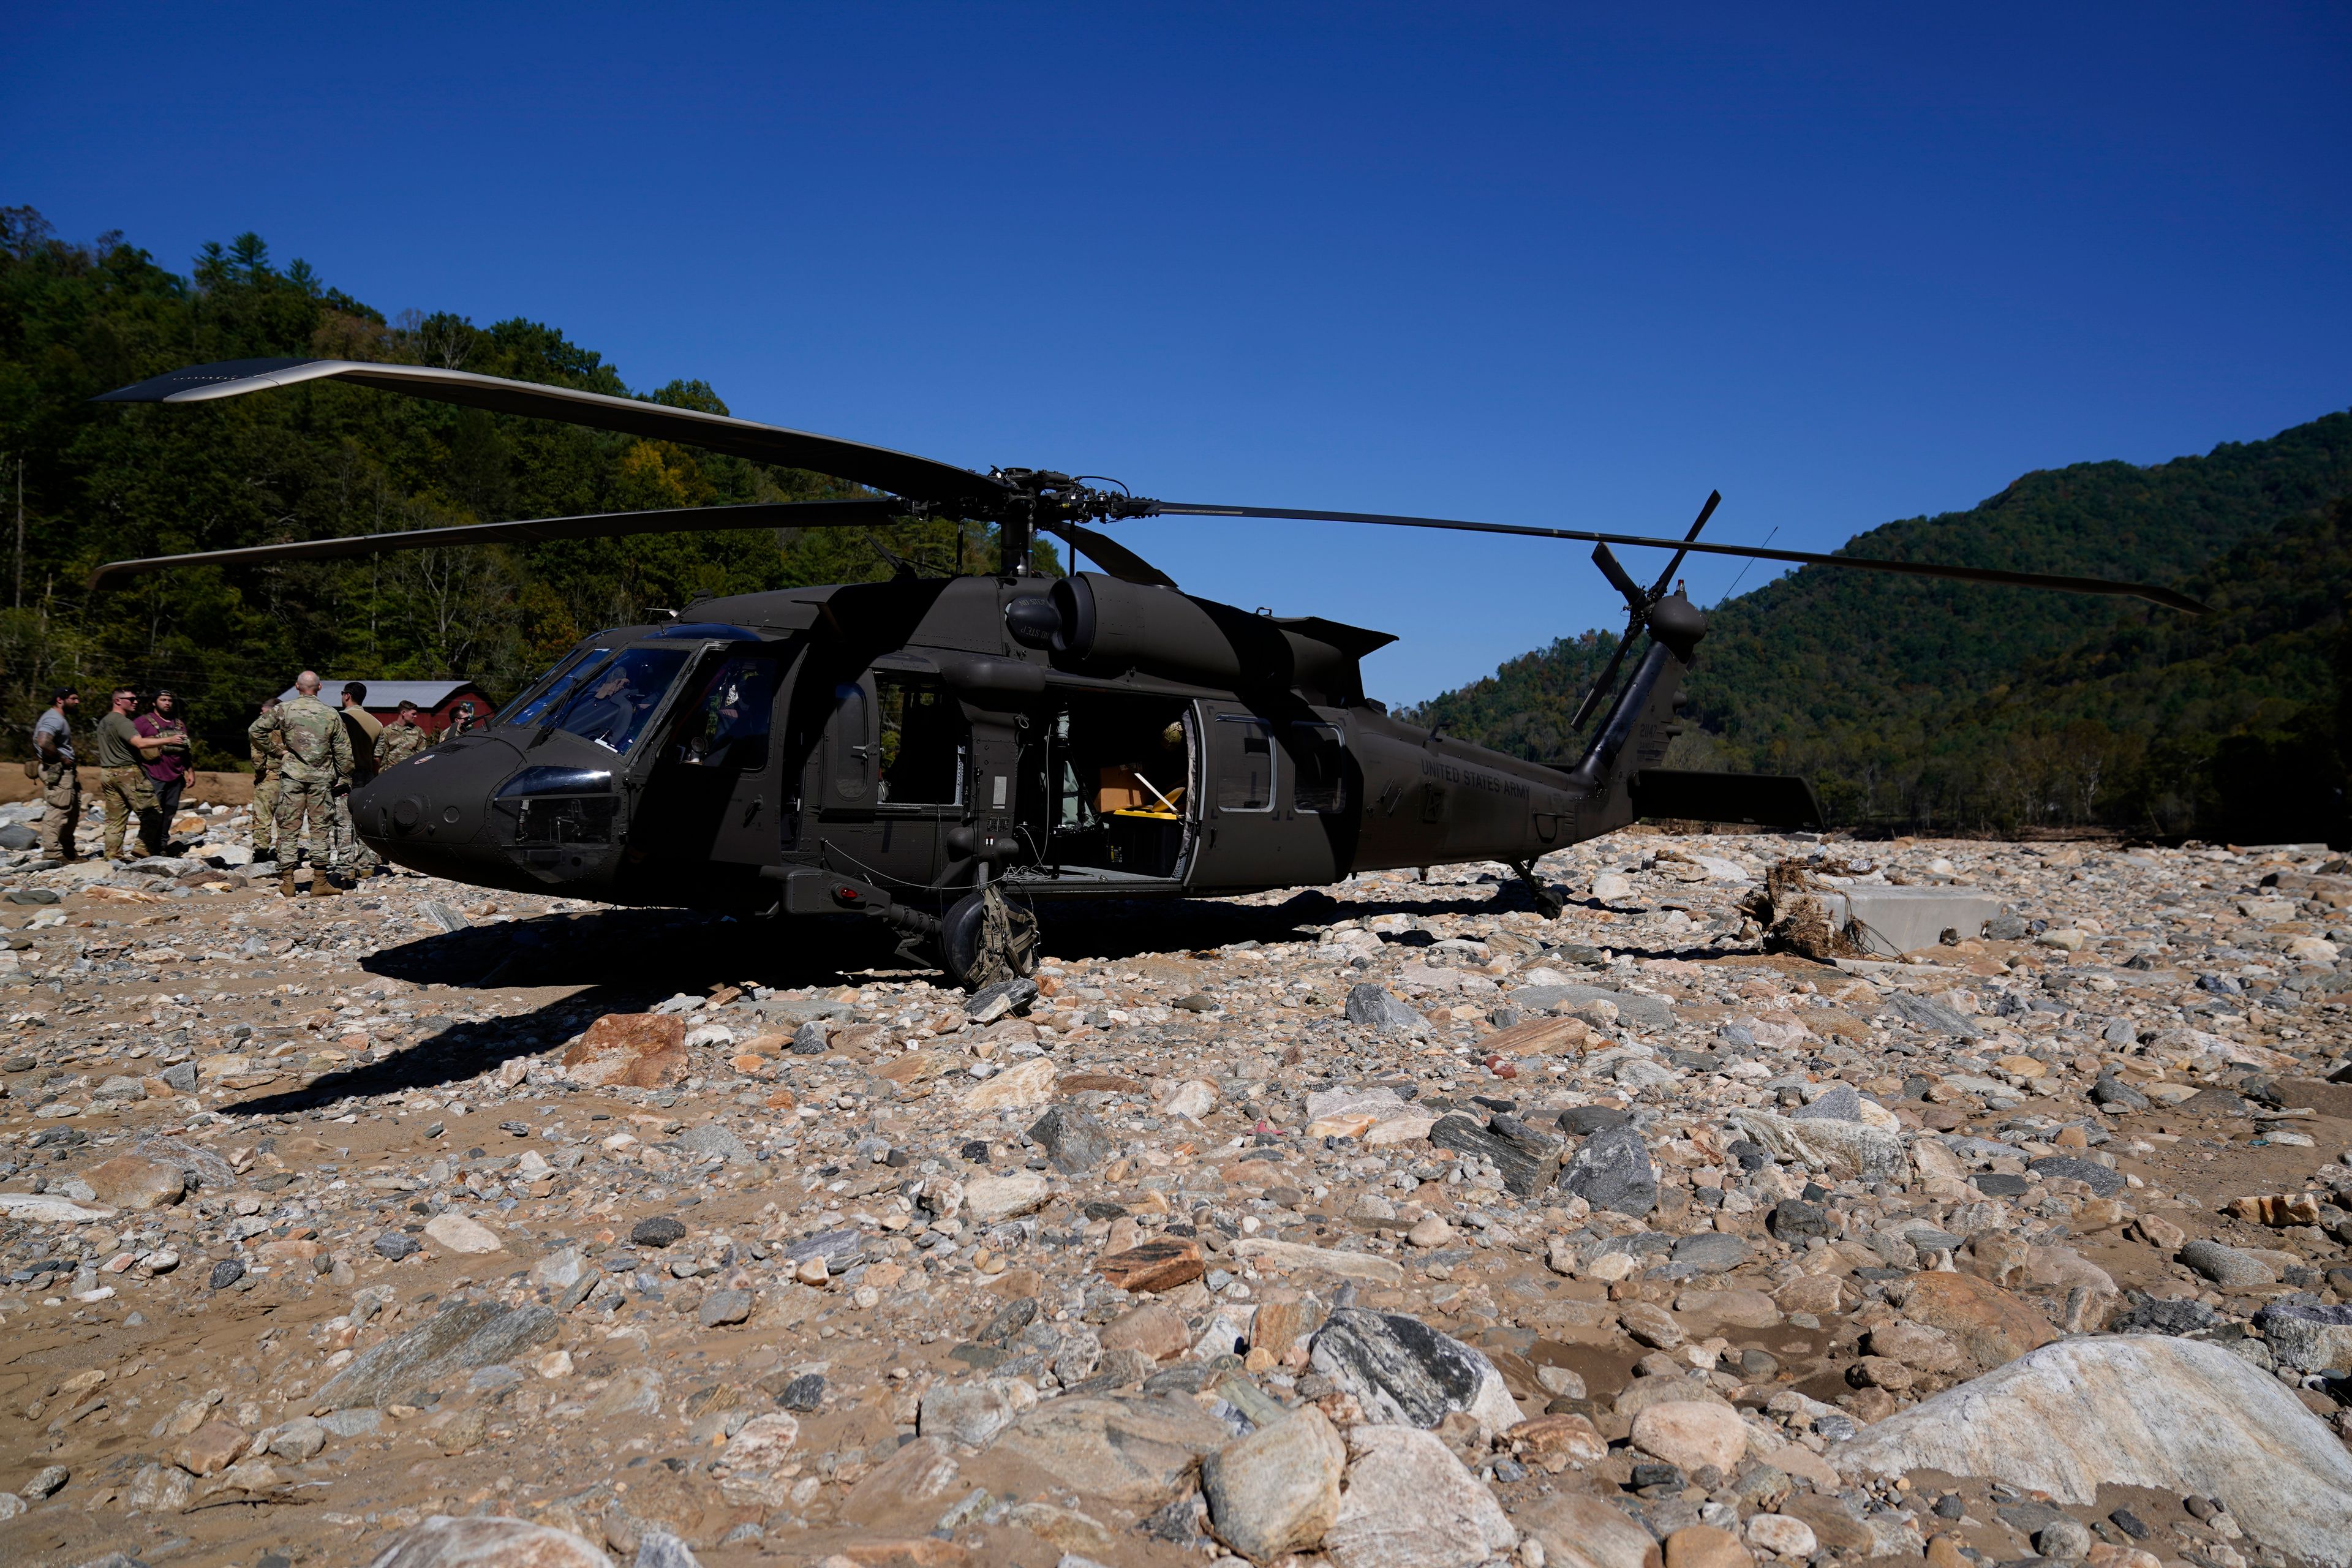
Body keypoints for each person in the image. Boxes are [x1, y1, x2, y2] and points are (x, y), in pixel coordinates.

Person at [252, 671, 353, 897]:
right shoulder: (331, 714)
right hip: (321, 779)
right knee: (320, 829)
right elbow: (344, 752)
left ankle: (287, 882)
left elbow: (255, 731)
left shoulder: (284, 709)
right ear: (320, 687)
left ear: (297, 687)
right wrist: (345, 776)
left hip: (292, 777)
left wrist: (277, 752)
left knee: (288, 828)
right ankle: (319, 881)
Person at [94, 687, 178, 861]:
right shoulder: (123, 722)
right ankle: (143, 847)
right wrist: (169, 739)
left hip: (107, 772)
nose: (135, 702)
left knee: (115, 818)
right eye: (131, 699)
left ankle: (112, 855)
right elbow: (138, 743)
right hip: (127, 773)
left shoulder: (104, 721)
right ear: (118, 701)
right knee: (153, 812)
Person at [336, 682, 383, 878]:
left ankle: (346, 869)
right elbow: (377, 758)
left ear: (347, 696)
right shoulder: (376, 723)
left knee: (344, 823)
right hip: (367, 775)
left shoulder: (339, 719)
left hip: (345, 777)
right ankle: (366, 866)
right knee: (363, 821)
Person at [30, 688, 81, 865]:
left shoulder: (58, 718)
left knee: (72, 810)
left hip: (64, 771)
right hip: (58, 770)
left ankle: (67, 851)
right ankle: (53, 852)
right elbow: (43, 741)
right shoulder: (53, 718)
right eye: (73, 698)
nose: (77, 702)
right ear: (60, 700)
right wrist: (62, 758)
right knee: (58, 809)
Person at [134, 688, 193, 839]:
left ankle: (162, 844)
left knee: (169, 813)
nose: (167, 703)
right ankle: (147, 844)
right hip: (152, 774)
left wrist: (190, 771)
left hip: (176, 776)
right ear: (154, 702)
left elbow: (186, 751)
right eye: (163, 700)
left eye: (170, 700)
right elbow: (132, 744)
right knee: (152, 812)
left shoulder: (179, 724)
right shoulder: (142, 722)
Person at [247, 694, 284, 865]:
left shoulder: (261, 732)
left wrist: (261, 772)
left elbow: (257, 760)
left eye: (264, 713)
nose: (261, 716)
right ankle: (284, 852)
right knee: (285, 818)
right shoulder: (290, 729)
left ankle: (261, 851)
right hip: (290, 778)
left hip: (269, 777)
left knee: (262, 815)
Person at [374, 699, 430, 770]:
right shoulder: (388, 731)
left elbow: (422, 755)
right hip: (391, 772)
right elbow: (383, 757)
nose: (416, 716)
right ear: (404, 713)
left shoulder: (418, 731)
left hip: (411, 772)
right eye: (413, 714)